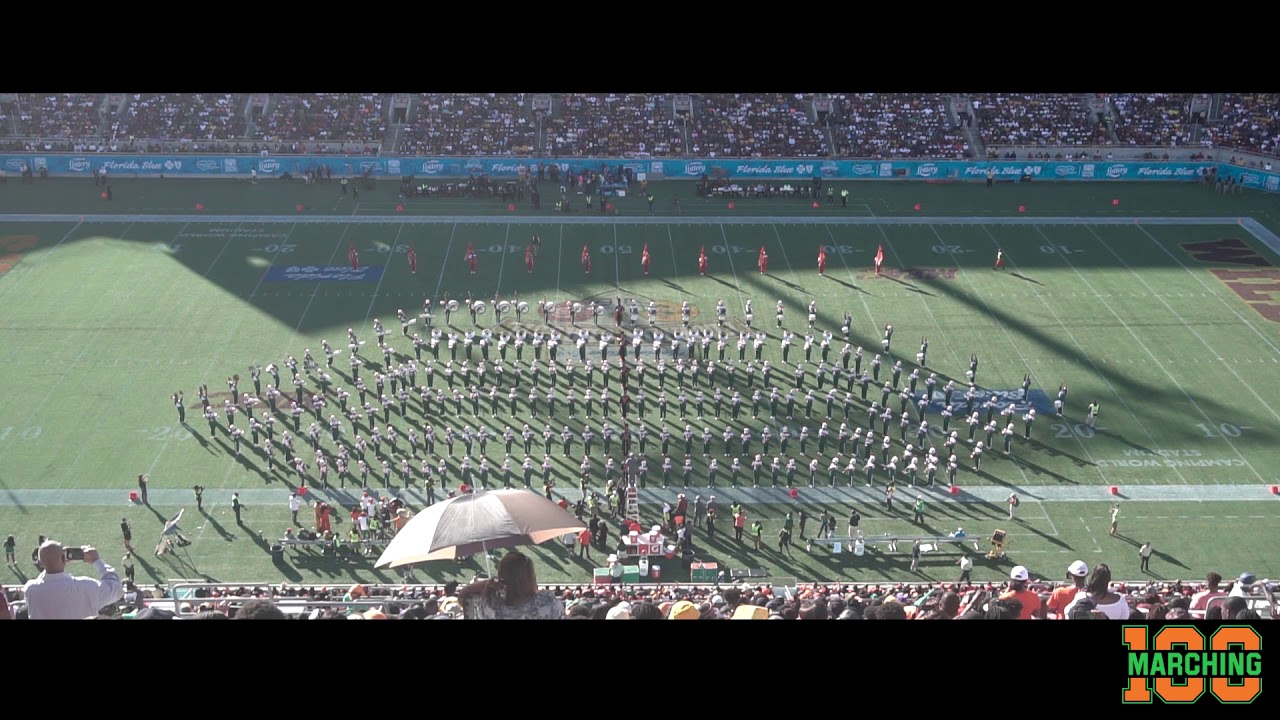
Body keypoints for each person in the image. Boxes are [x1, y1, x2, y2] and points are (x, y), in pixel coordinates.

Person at [22, 540, 123, 619]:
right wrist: (97, 560)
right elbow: (117, 589)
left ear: (40, 563)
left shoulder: (30, 590)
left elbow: (47, 579)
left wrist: (51, 560)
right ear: (64, 559)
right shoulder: (84, 587)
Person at [457, 551, 564, 619]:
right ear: (530, 578)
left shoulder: (487, 606)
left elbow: (464, 594)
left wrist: (490, 582)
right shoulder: (546, 603)